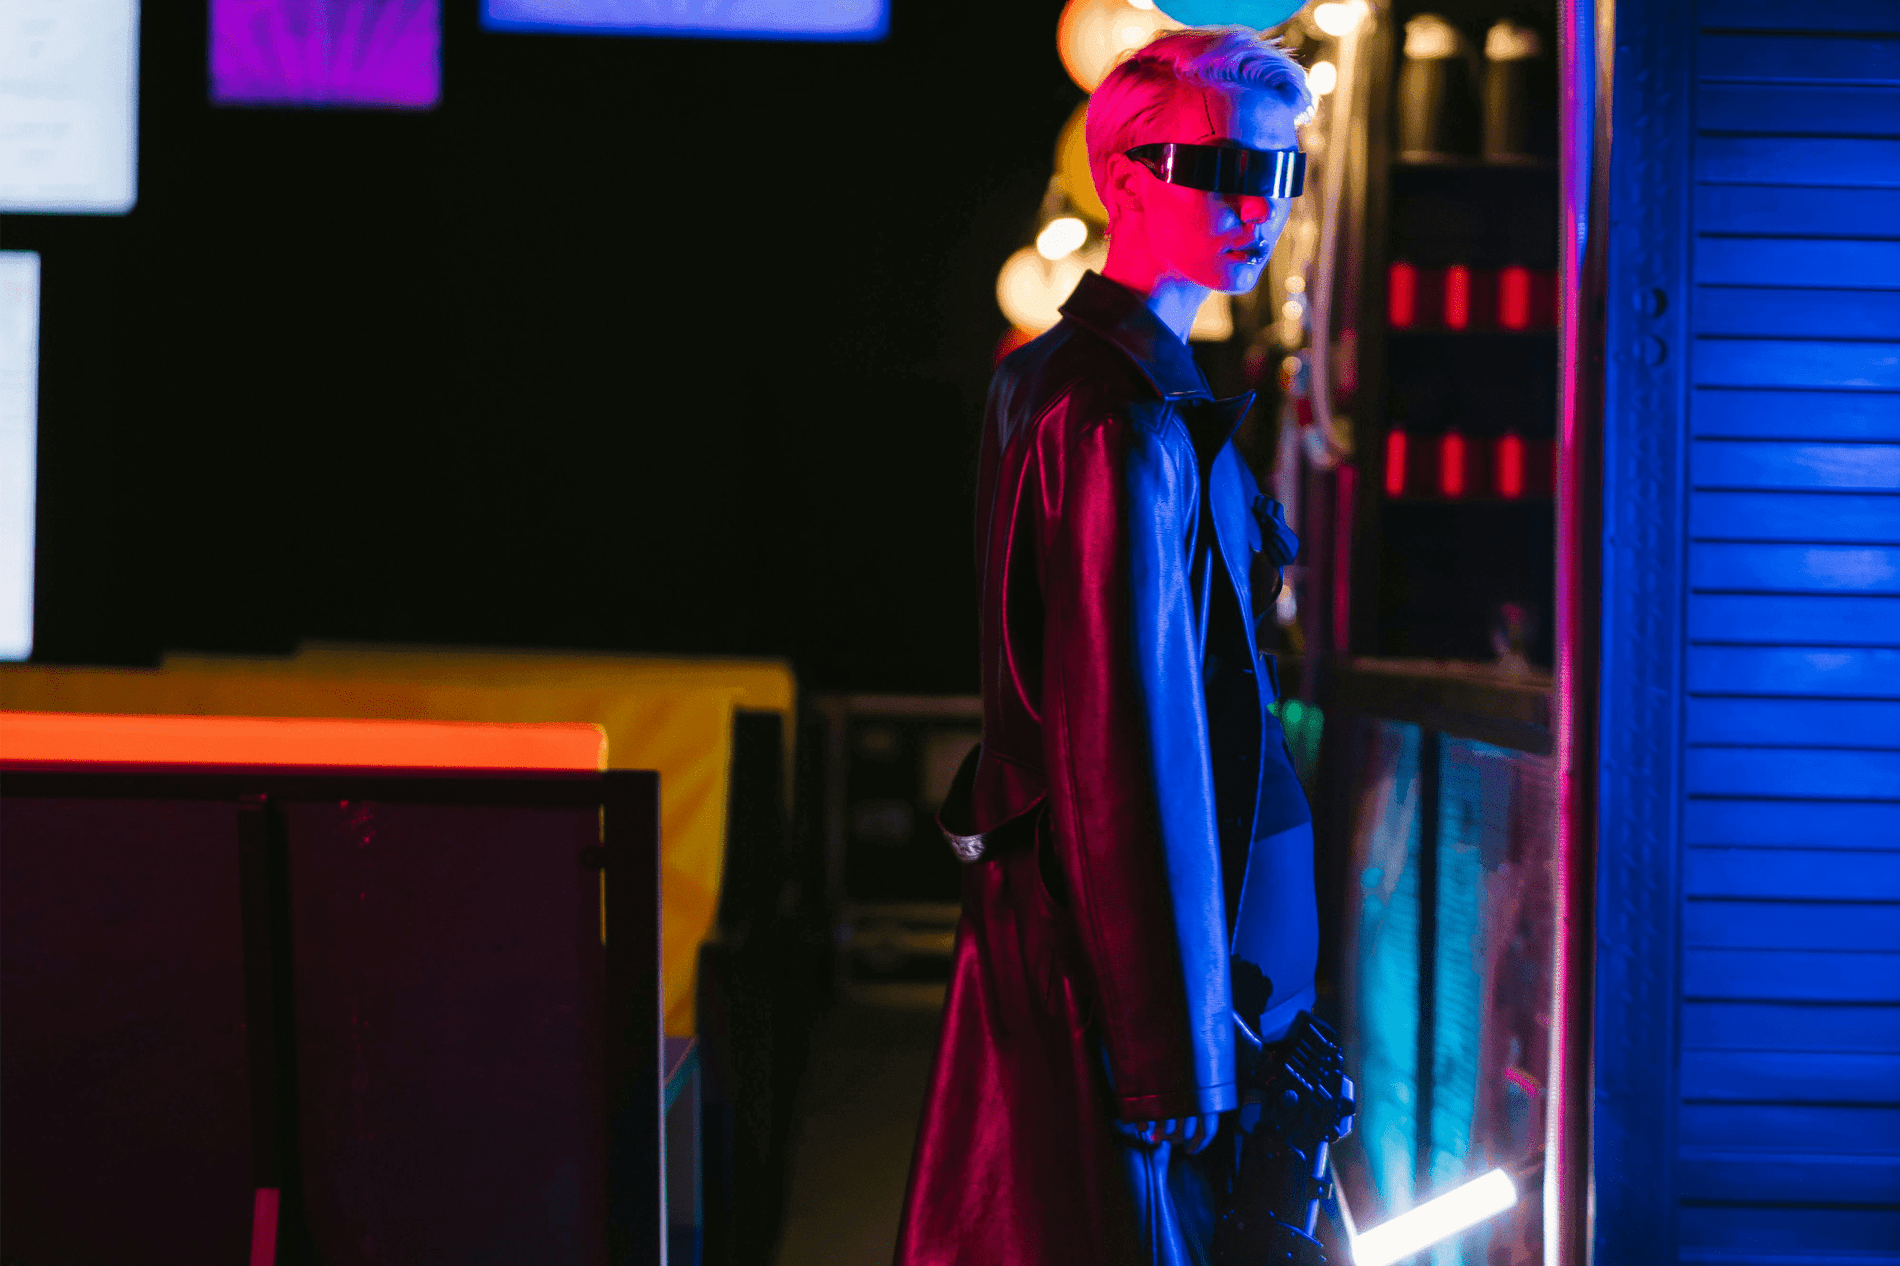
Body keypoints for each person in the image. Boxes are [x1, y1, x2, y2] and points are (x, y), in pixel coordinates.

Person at [894, 26, 1319, 1266]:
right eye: (1224, 171)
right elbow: (1120, 741)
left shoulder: (1099, 389)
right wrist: (1163, 1040)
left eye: (1280, 173)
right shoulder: (1112, 414)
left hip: (1163, 972)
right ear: (1125, 177)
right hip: (1138, 987)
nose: (1259, 209)